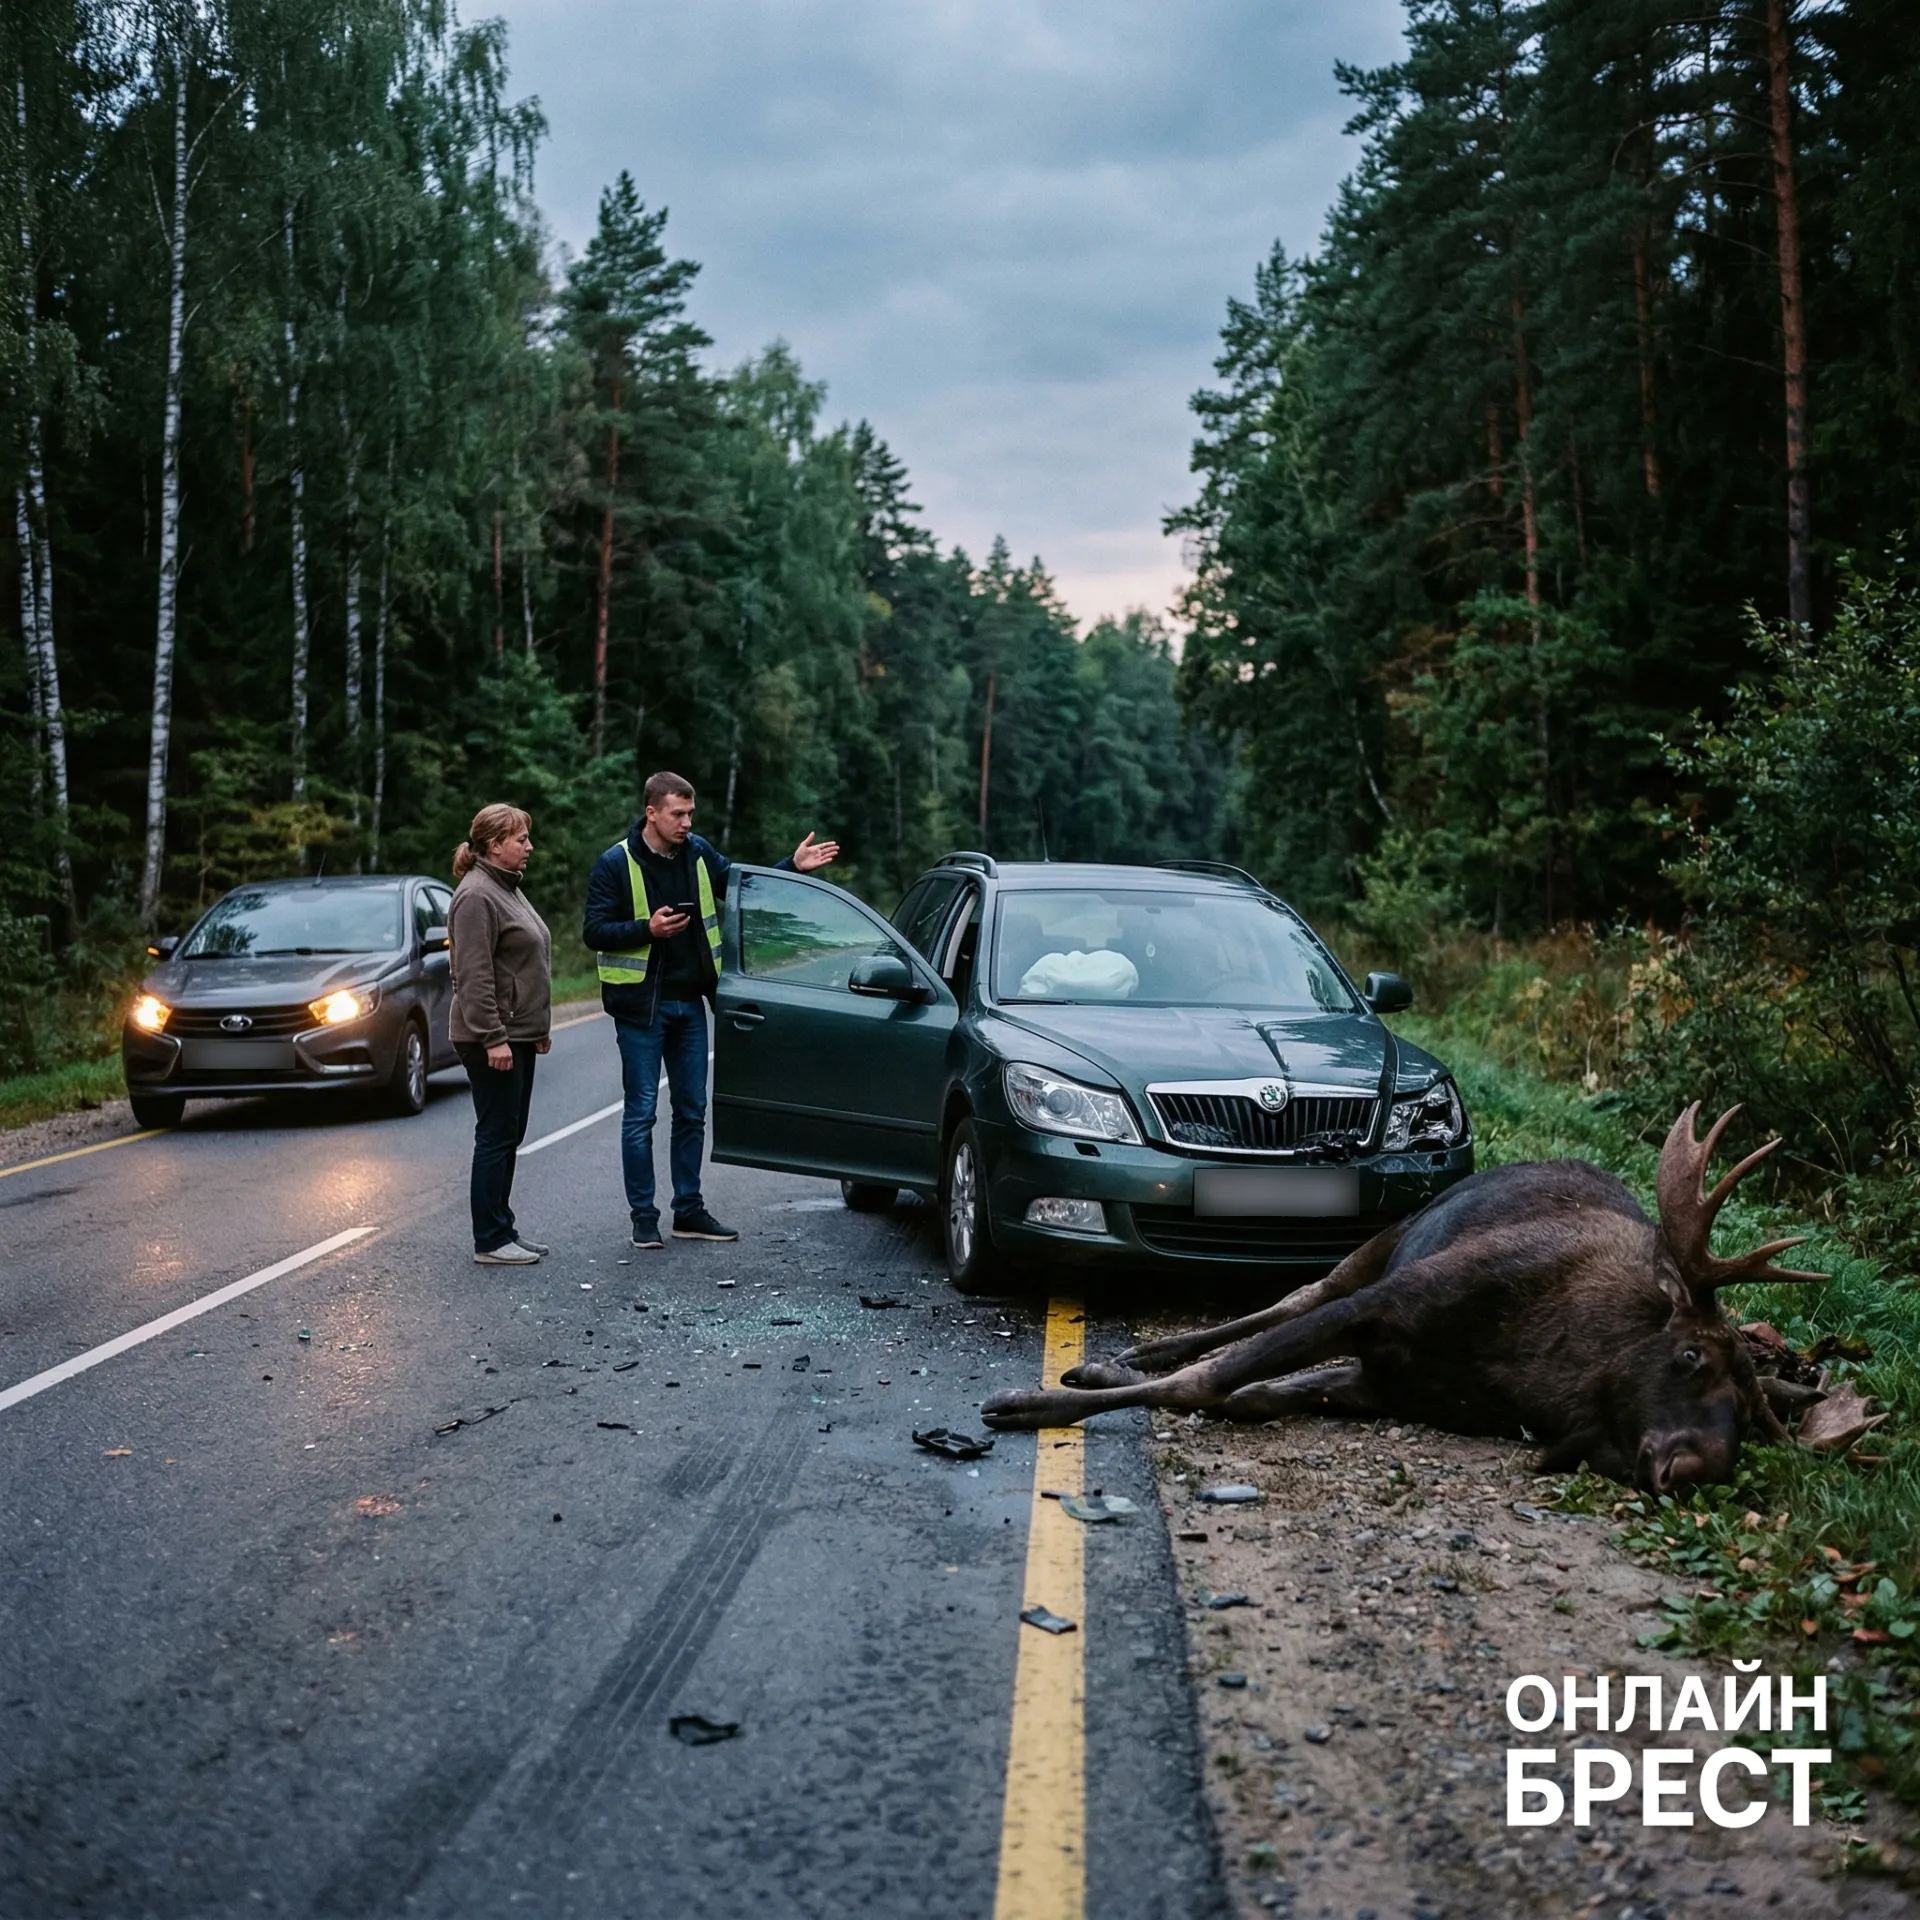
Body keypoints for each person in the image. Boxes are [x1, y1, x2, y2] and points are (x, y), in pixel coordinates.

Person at [582, 770, 838, 1249]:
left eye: (690, 813)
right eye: (677, 814)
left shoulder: (697, 852)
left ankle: (689, 1210)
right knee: (640, 1114)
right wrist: (646, 930)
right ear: (651, 812)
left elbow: (742, 887)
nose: (686, 822)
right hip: (641, 1008)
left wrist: (791, 866)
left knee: (693, 1111)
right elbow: (594, 931)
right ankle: (643, 1216)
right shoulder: (614, 864)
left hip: (691, 1004)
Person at [448, 803, 553, 1265]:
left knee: (510, 1133)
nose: (529, 847)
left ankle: (503, 1227)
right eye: (520, 840)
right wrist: (493, 1037)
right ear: (495, 845)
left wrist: (536, 1029)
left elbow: (523, 964)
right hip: (489, 1036)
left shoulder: (506, 887)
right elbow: (472, 976)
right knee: (495, 1134)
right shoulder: (476, 896)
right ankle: (489, 1239)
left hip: (516, 1032)